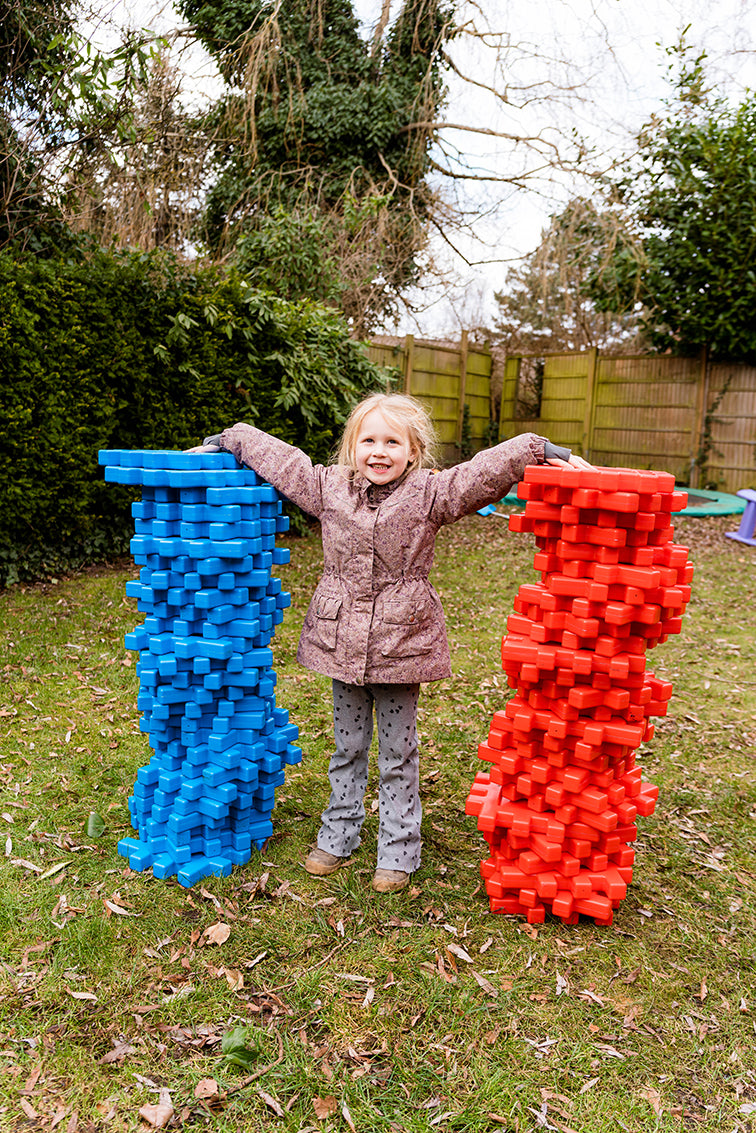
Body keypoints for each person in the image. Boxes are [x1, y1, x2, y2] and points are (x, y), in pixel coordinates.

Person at [192, 393, 591, 893]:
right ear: (351, 447)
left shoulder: (431, 495)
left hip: (401, 644)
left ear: (413, 451)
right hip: (342, 641)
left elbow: (479, 474)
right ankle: (338, 834)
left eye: (392, 442)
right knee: (347, 746)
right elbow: (285, 462)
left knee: (398, 754)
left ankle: (399, 848)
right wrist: (231, 438)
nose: (379, 451)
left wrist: (534, 448)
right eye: (368, 440)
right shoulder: (329, 487)